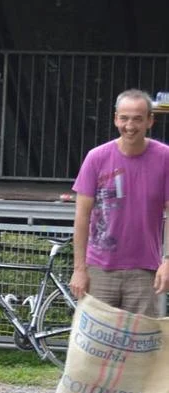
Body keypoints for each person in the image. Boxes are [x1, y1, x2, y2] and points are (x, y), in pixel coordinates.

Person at [70, 88, 169, 316]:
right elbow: (82, 216)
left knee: (140, 337)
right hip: (100, 270)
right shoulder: (96, 157)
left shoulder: (165, 158)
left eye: (137, 119)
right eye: (124, 118)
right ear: (115, 119)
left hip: (145, 271)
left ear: (150, 121)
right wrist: (79, 269)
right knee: (97, 338)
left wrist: (167, 261)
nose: (130, 125)